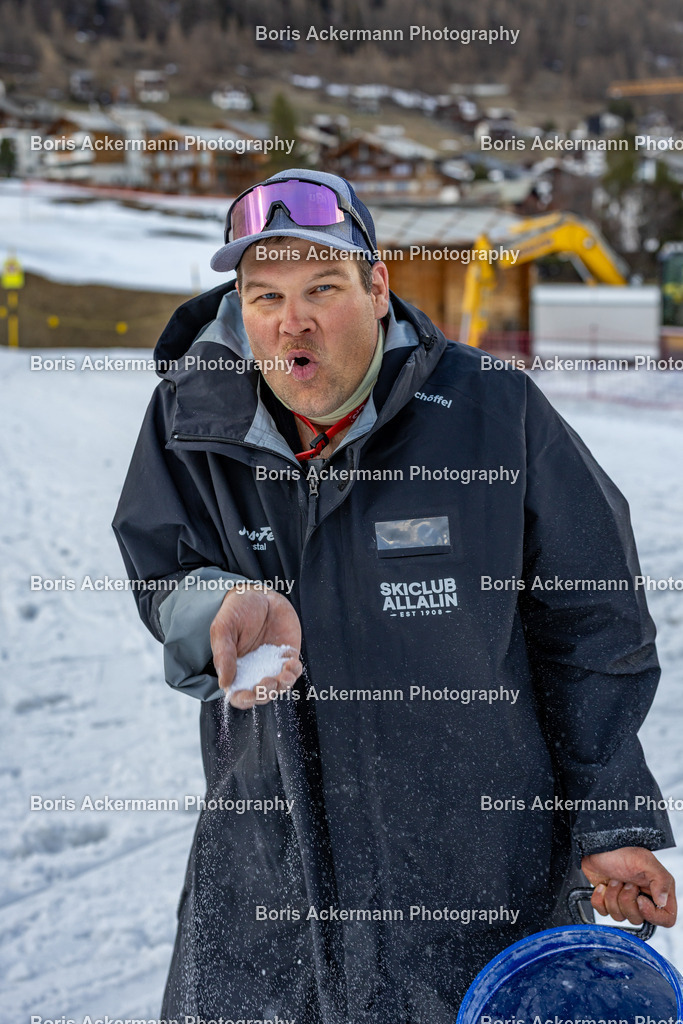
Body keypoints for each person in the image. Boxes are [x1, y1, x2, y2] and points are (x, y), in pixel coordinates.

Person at [112, 169, 677, 1024]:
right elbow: (161, 570)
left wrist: (609, 818)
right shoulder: (187, 421)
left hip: (481, 873)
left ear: (377, 290)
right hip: (265, 874)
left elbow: (592, 622)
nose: (291, 321)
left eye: (322, 288)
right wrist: (215, 606)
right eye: (264, 296)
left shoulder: (495, 414)